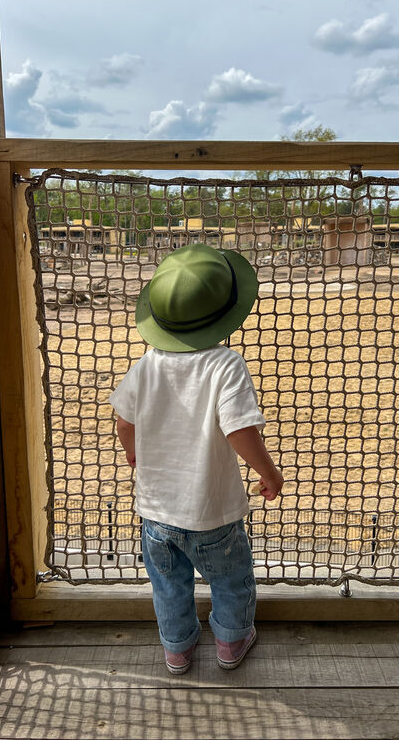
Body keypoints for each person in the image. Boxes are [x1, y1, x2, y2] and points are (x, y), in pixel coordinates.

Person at [110, 243, 283, 675]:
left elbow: (123, 419)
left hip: (156, 515)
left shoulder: (145, 365)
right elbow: (240, 428)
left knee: (168, 584)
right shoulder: (225, 364)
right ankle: (230, 641)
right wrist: (268, 471)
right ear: (227, 315)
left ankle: (177, 649)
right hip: (214, 515)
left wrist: (132, 451)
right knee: (231, 578)